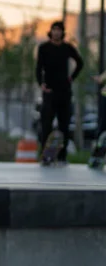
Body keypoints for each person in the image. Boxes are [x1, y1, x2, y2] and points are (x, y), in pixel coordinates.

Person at [35, 21, 84, 164]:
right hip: (49, 91)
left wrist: (72, 78)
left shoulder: (67, 48)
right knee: (46, 124)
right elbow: (38, 68)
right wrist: (41, 84)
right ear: (51, 32)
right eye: (54, 30)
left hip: (64, 92)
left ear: (63, 33)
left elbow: (80, 63)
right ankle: (45, 155)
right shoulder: (44, 48)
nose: (56, 32)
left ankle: (62, 156)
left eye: (59, 30)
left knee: (64, 125)